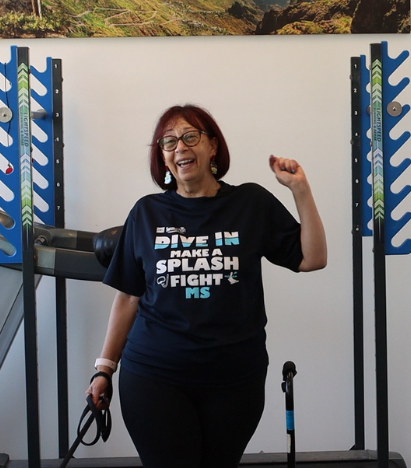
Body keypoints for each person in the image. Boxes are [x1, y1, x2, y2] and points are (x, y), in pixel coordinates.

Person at [86, 104, 327, 468]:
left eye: (190, 136)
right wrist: (104, 369)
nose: (179, 147)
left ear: (212, 146)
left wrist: (300, 190)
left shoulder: (250, 202)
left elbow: (313, 258)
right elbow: (128, 296)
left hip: (235, 380)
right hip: (154, 375)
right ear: (163, 158)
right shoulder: (146, 212)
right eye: (168, 142)